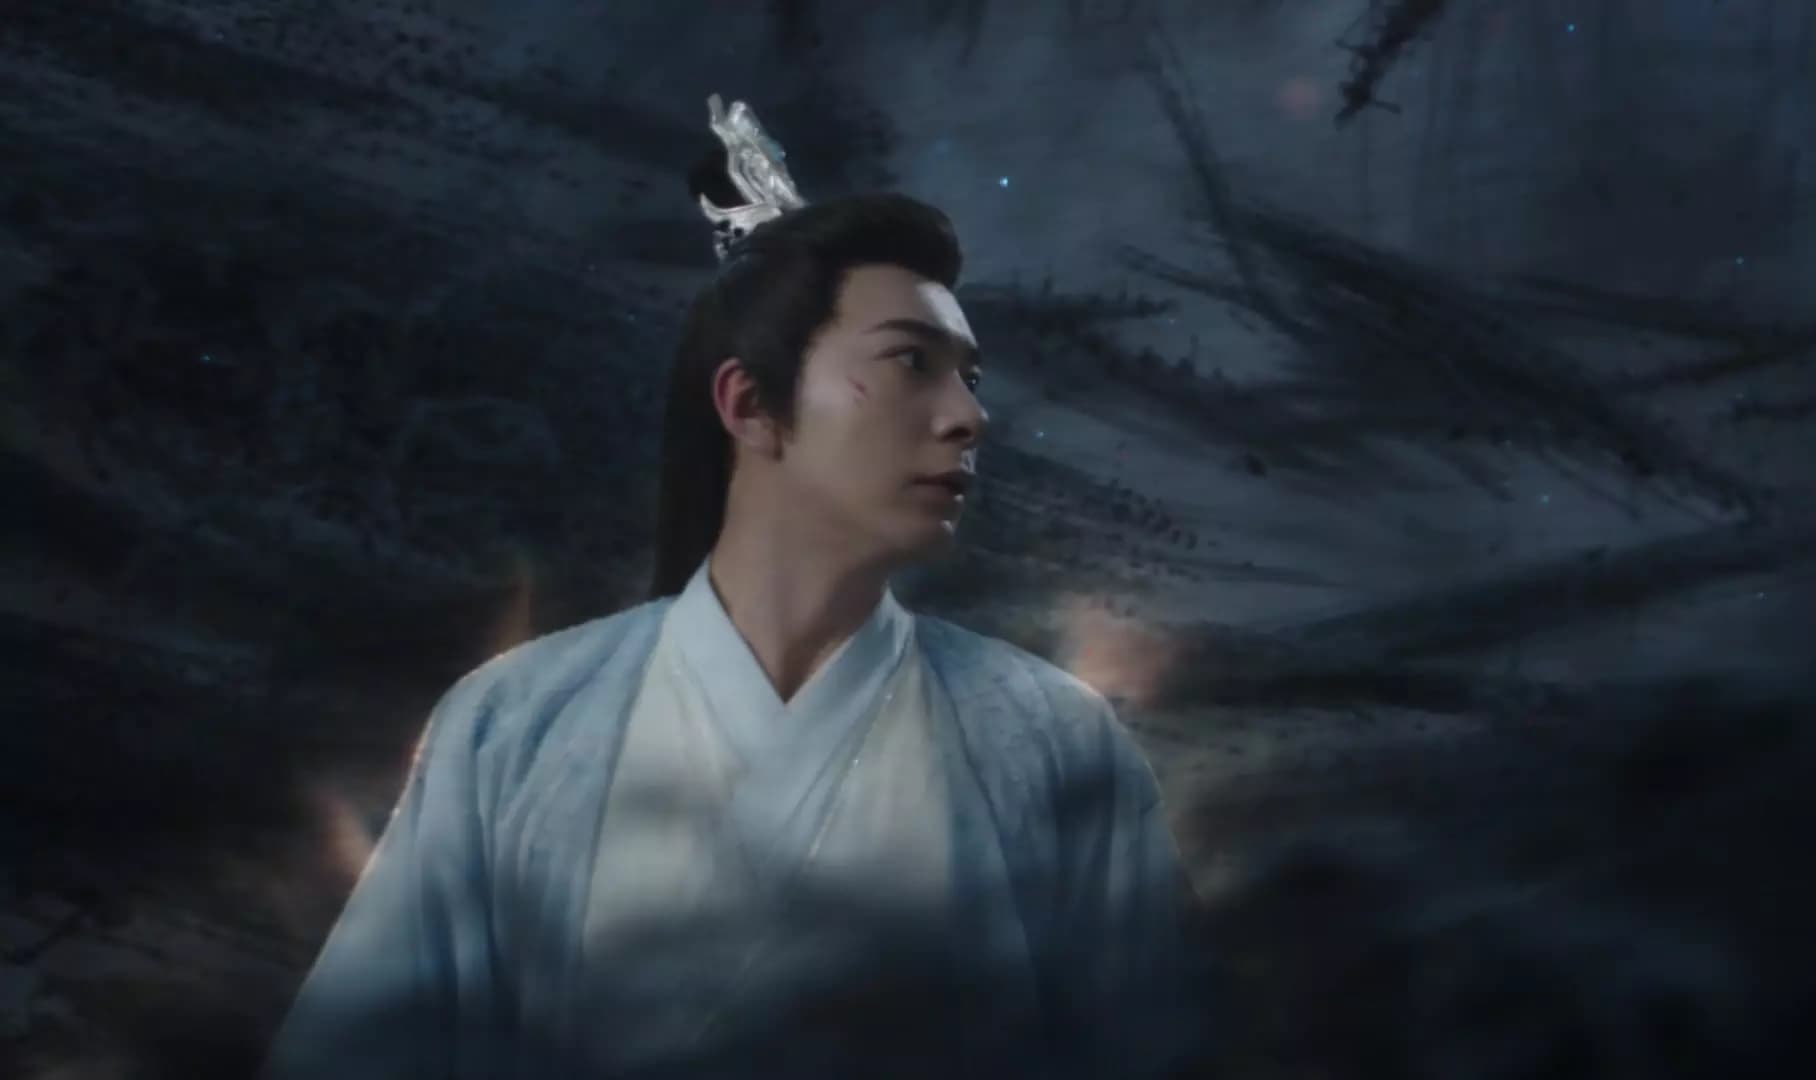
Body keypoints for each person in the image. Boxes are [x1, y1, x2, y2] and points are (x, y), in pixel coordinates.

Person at [259, 95, 1204, 1080]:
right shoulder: (518, 725)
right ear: (750, 404)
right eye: (911, 364)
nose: (969, 417)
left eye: (970, 376)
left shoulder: (1051, 742)